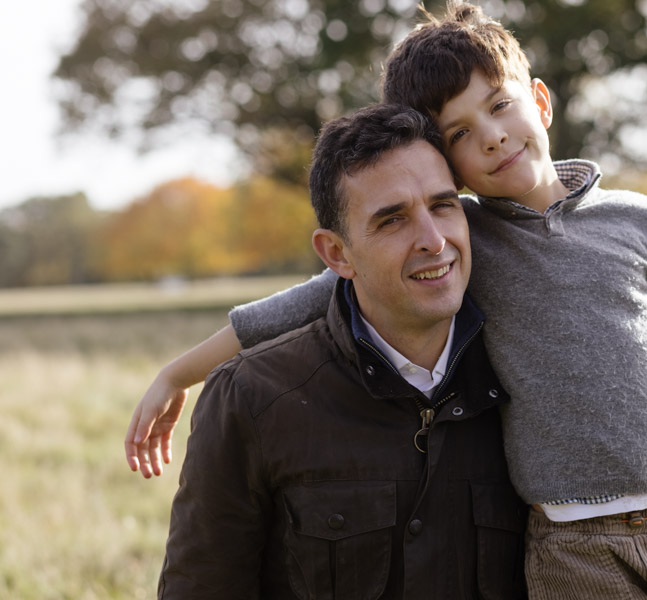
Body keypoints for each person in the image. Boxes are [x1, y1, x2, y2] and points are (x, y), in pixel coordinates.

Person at [134, 3, 647, 599]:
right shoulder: (468, 234)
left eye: (500, 105)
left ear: (540, 100)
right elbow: (313, 298)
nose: (491, 135)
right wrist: (177, 373)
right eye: (457, 133)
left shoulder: (643, 223)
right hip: (572, 548)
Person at [157, 103, 528, 599]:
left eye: (443, 205)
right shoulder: (252, 398)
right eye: (392, 220)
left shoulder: (527, 382)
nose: (434, 241)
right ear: (337, 253)